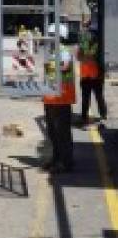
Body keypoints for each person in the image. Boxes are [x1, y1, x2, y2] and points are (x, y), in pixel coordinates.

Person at [42, 38, 76, 174]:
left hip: (61, 98)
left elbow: (65, 66)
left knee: (62, 133)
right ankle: (56, 159)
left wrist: (51, 66)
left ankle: (66, 162)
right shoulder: (52, 52)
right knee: (53, 132)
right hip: (51, 98)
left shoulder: (63, 51)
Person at [77, 23, 107, 127]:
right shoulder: (85, 43)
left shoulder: (99, 44)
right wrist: (89, 58)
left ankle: (102, 115)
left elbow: (83, 57)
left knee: (97, 97)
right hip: (88, 75)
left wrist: (87, 58)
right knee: (88, 98)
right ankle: (85, 117)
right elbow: (79, 57)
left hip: (95, 75)